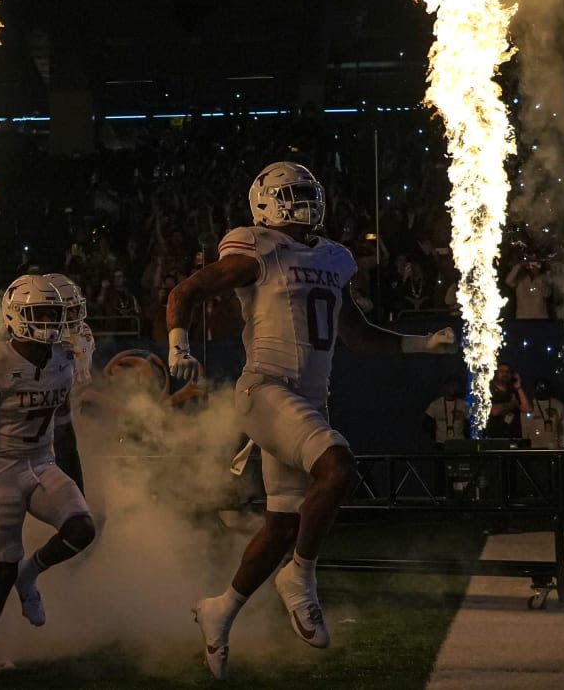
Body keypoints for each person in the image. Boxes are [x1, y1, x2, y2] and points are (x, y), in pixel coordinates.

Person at [164, 161, 454, 679]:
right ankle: (300, 578)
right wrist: (177, 345)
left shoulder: (334, 258)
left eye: (307, 193)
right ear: (263, 203)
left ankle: (221, 609)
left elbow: (357, 333)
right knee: (338, 467)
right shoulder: (255, 246)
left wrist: (419, 344)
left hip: (309, 399)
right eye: (291, 193)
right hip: (265, 389)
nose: (302, 202)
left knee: (282, 524)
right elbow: (184, 292)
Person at [0, 275, 95, 631]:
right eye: (38, 314)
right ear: (14, 315)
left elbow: (65, 432)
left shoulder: (64, 361)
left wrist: (77, 487)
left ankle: (32, 573)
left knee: (82, 529)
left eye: (53, 315)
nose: (48, 324)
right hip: (0, 470)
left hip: (42, 463)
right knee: (2, 570)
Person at [42, 272, 91, 492]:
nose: (74, 315)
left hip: (71, 426)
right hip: (40, 436)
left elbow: (82, 381)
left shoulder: (84, 336)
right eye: (67, 310)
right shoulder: (33, 346)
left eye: (75, 309)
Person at [485, 362, 532, 440]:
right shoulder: (488, 390)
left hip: (513, 439)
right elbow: (494, 411)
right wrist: (512, 404)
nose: (505, 373)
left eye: (508, 371)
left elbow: (528, 409)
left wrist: (519, 387)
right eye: (502, 371)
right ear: (495, 373)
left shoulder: (513, 392)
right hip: (493, 439)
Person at [522, 381, 564, 449]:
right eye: (540, 387)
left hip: (554, 447)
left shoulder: (558, 405)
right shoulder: (528, 406)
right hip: (534, 447)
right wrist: (526, 446)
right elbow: (525, 429)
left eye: (544, 387)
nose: (542, 390)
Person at [422, 375, 468, 445]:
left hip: (459, 443)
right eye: (451, 385)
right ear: (446, 386)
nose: (454, 388)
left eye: (456, 386)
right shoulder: (435, 405)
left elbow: (468, 425)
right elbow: (426, 424)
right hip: (441, 443)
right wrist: (433, 439)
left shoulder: (463, 405)